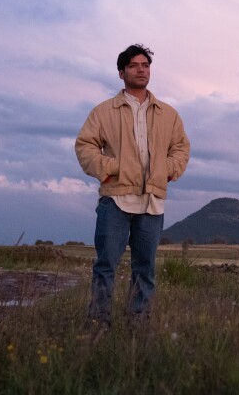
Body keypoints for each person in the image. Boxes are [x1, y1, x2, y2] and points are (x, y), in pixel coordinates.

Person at [75, 43, 190, 329]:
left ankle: (138, 324)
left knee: (145, 269)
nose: (141, 70)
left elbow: (181, 149)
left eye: (145, 65)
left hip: (152, 202)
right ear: (121, 72)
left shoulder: (168, 113)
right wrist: (114, 169)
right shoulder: (103, 112)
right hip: (115, 199)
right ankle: (99, 324)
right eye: (135, 65)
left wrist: (167, 171)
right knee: (105, 266)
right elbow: (85, 146)